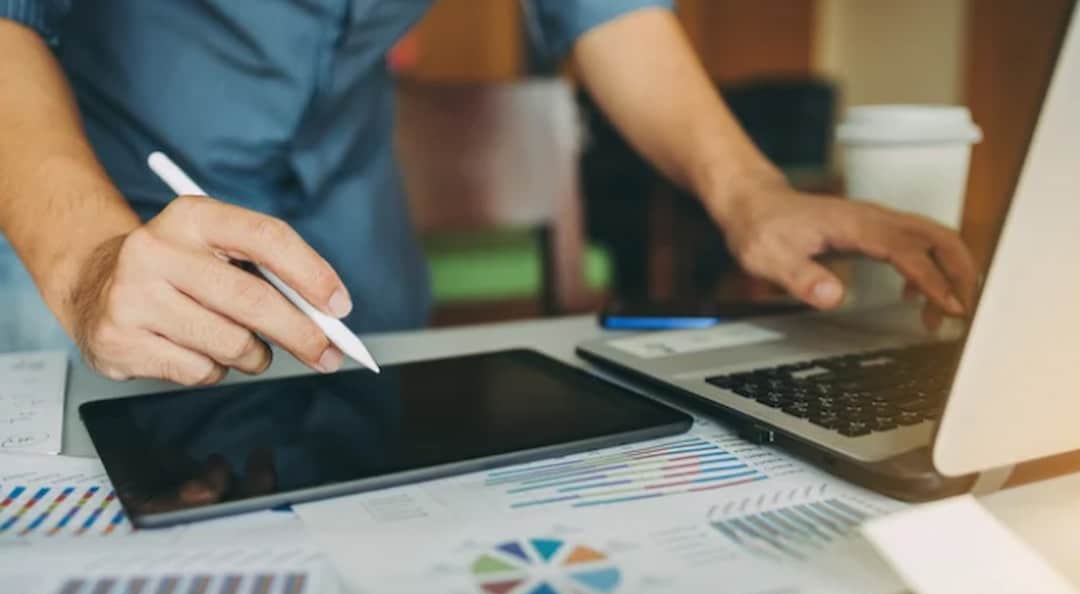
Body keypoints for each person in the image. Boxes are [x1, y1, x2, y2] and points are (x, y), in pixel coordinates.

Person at [0, 1, 976, 386]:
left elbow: (602, 6)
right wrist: (86, 259)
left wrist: (750, 190)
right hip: (88, 212)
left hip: (346, 214)